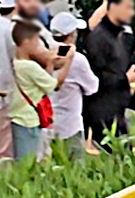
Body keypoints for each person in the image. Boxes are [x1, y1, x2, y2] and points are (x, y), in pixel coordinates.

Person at [0, 0, 50, 161]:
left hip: (1, 103)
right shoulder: (3, 30)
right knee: (4, 157)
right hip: (2, 104)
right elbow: (5, 73)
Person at [8, 19, 68, 159]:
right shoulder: (30, 67)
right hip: (29, 119)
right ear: (27, 42)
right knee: (28, 162)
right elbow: (54, 85)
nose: (38, 46)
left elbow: (44, 81)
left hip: (19, 117)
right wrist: (68, 61)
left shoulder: (17, 63)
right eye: (36, 41)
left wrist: (50, 65)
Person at [82, 0, 134, 144]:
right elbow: (99, 71)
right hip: (102, 108)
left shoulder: (120, 37)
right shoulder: (99, 37)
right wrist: (124, 79)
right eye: (127, 8)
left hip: (117, 105)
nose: (131, 12)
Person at [48, 11, 97, 154]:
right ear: (70, 35)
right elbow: (92, 87)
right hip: (70, 125)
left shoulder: (45, 54)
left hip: (47, 124)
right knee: (74, 167)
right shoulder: (77, 59)